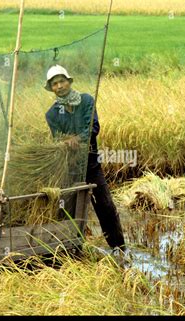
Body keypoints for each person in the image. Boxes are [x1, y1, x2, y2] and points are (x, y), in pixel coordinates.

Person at [43, 65, 128, 257]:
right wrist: (66, 141)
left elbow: (93, 128)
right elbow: (57, 138)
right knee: (68, 208)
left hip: (90, 165)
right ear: (51, 88)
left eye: (62, 81)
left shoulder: (87, 101)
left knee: (105, 205)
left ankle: (118, 248)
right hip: (69, 168)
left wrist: (77, 139)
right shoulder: (52, 114)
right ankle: (71, 249)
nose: (59, 86)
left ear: (69, 82)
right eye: (54, 84)